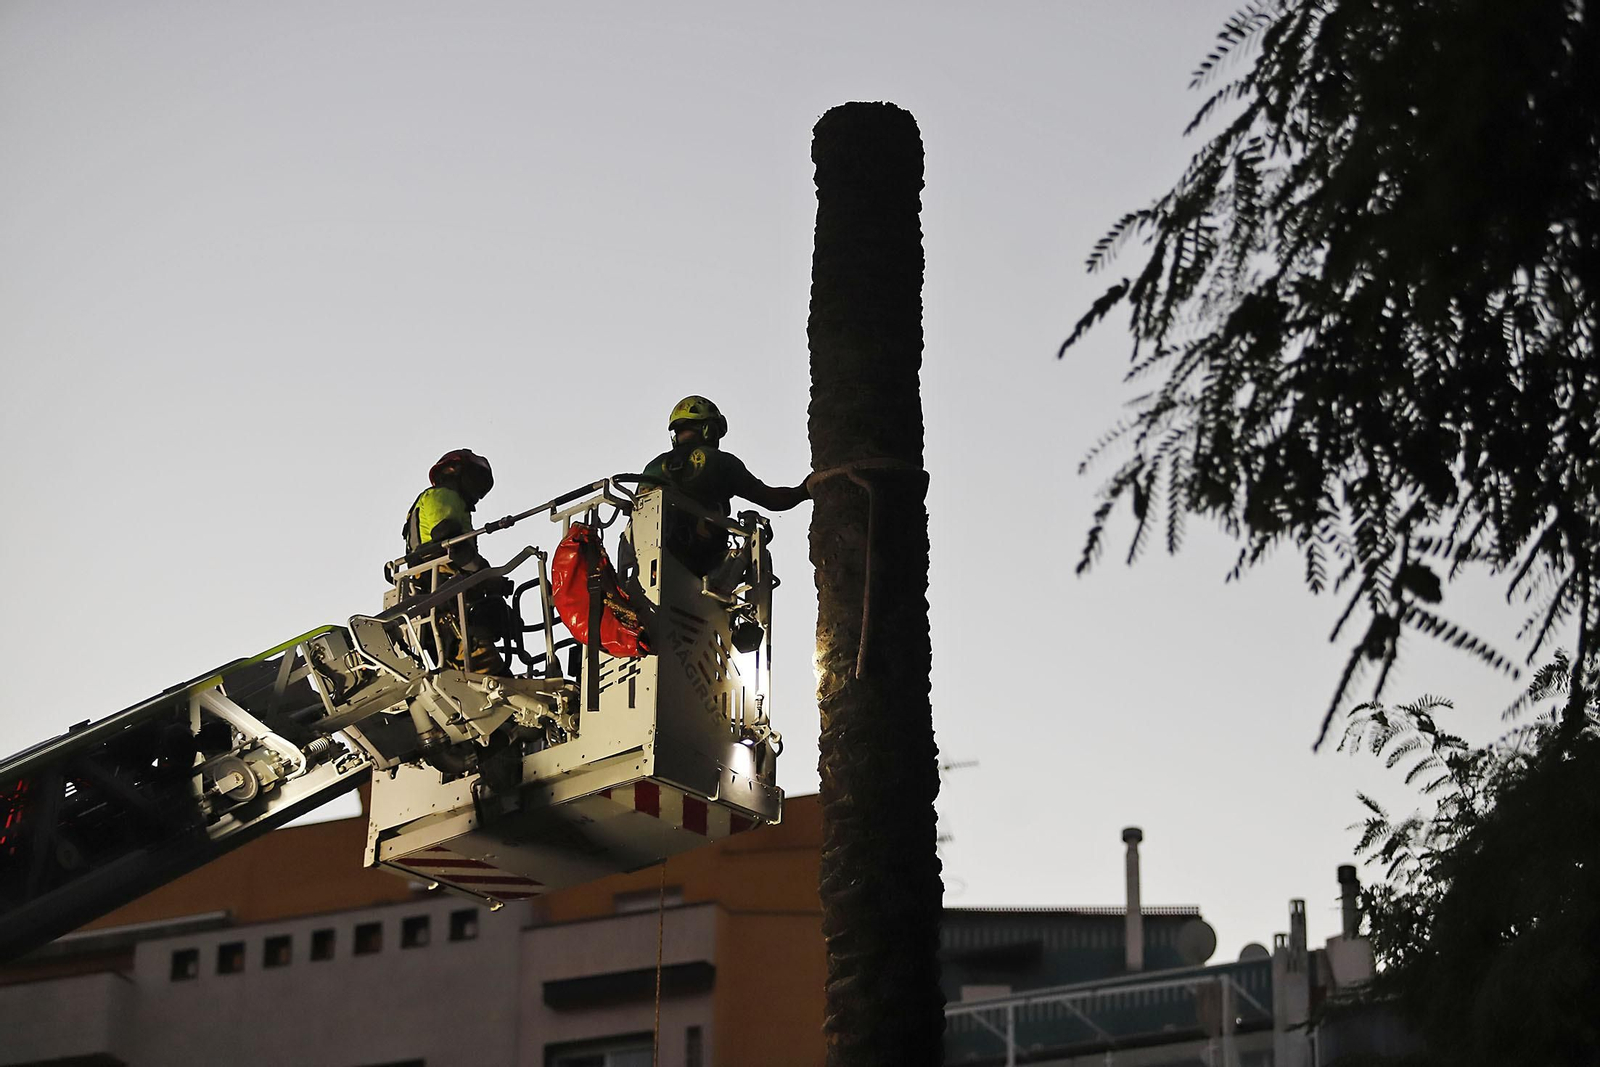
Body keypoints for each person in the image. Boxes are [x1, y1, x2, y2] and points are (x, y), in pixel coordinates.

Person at [638, 396, 810, 575]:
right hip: (698, 561)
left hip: (644, 564)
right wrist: (804, 490)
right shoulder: (720, 462)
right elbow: (774, 500)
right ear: (708, 430)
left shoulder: (652, 467)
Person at [401, 449, 506, 672]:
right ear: (453, 470)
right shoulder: (443, 495)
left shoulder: (433, 500)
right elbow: (451, 544)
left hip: (437, 600)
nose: (478, 493)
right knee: (490, 673)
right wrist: (486, 575)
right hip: (447, 597)